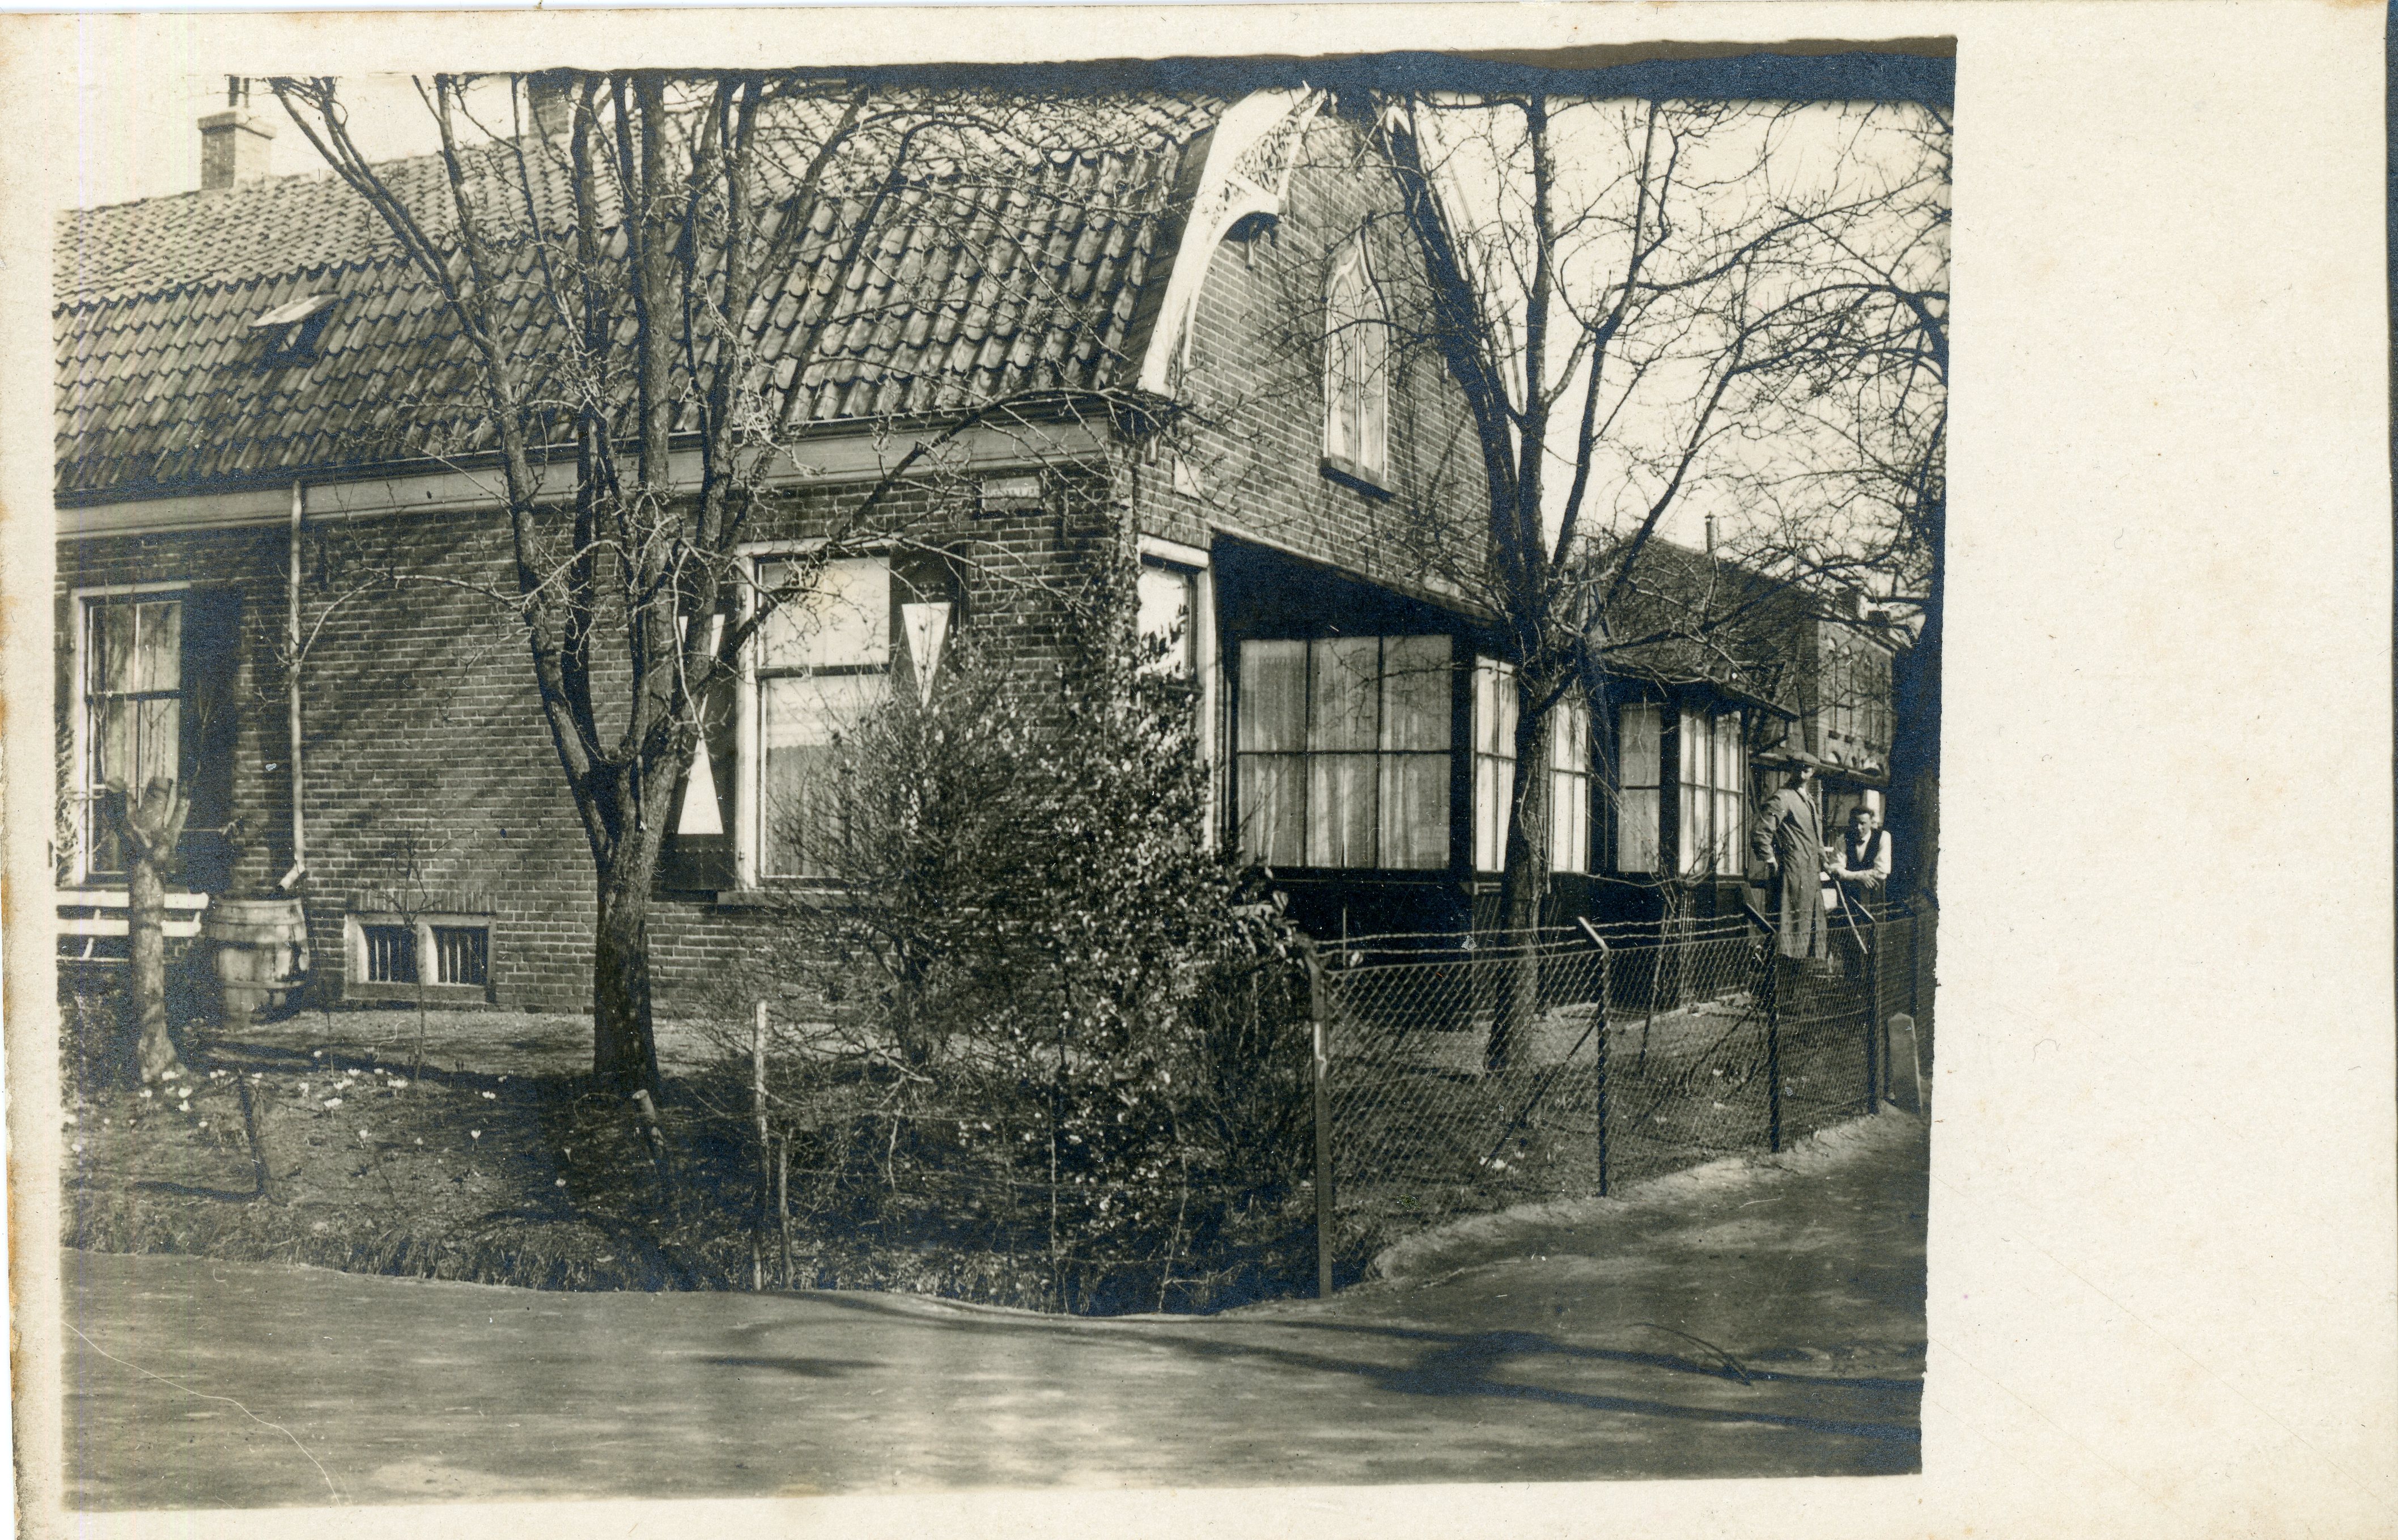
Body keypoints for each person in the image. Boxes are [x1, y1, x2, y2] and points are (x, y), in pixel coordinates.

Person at [1750, 753, 1829, 966]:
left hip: (1811, 876)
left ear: (1813, 772)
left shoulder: (1809, 801)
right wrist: (1771, 861)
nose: (1803, 772)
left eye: (1808, 768)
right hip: (1792, 876)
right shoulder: (1783, 798)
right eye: (1798, 767)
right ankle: (1781, 976)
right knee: (1788, 935)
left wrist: (1825, 862)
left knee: (1808, 935)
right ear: (1791, 769)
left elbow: (1816, 839)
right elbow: (1760, 832)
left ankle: (1801, 979)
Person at [1826, 799, 1892, 982]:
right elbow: (1835, 869)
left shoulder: (1883, 837)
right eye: (1855, 823)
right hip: (1850, 897)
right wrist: (1860, 877)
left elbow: (1882, 871)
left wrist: (1850, 874)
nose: (1859, 828)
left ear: (1871, 823)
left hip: (1874, 896)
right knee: (1851, 940)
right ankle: (1852, 985)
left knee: (1874, 940)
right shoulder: (1843, 839)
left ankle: (1873, 984)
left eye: (1863, 823)